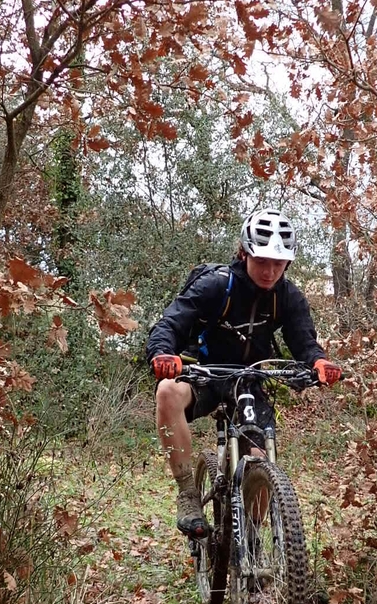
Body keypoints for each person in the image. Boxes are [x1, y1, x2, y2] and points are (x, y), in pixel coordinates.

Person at [146, 208, 342, 537]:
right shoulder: (216, 285)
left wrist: (319, 362)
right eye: (262, 261)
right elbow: (171, 323)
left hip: (251, 381)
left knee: (260, 457)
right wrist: (163, 353)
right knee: (168, 391)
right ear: (244, 253)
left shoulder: (288, 297)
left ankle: (251, 539)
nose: (269, 271)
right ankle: (188, 493)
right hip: (205, 374)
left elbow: (304, 341)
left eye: (278, 264)